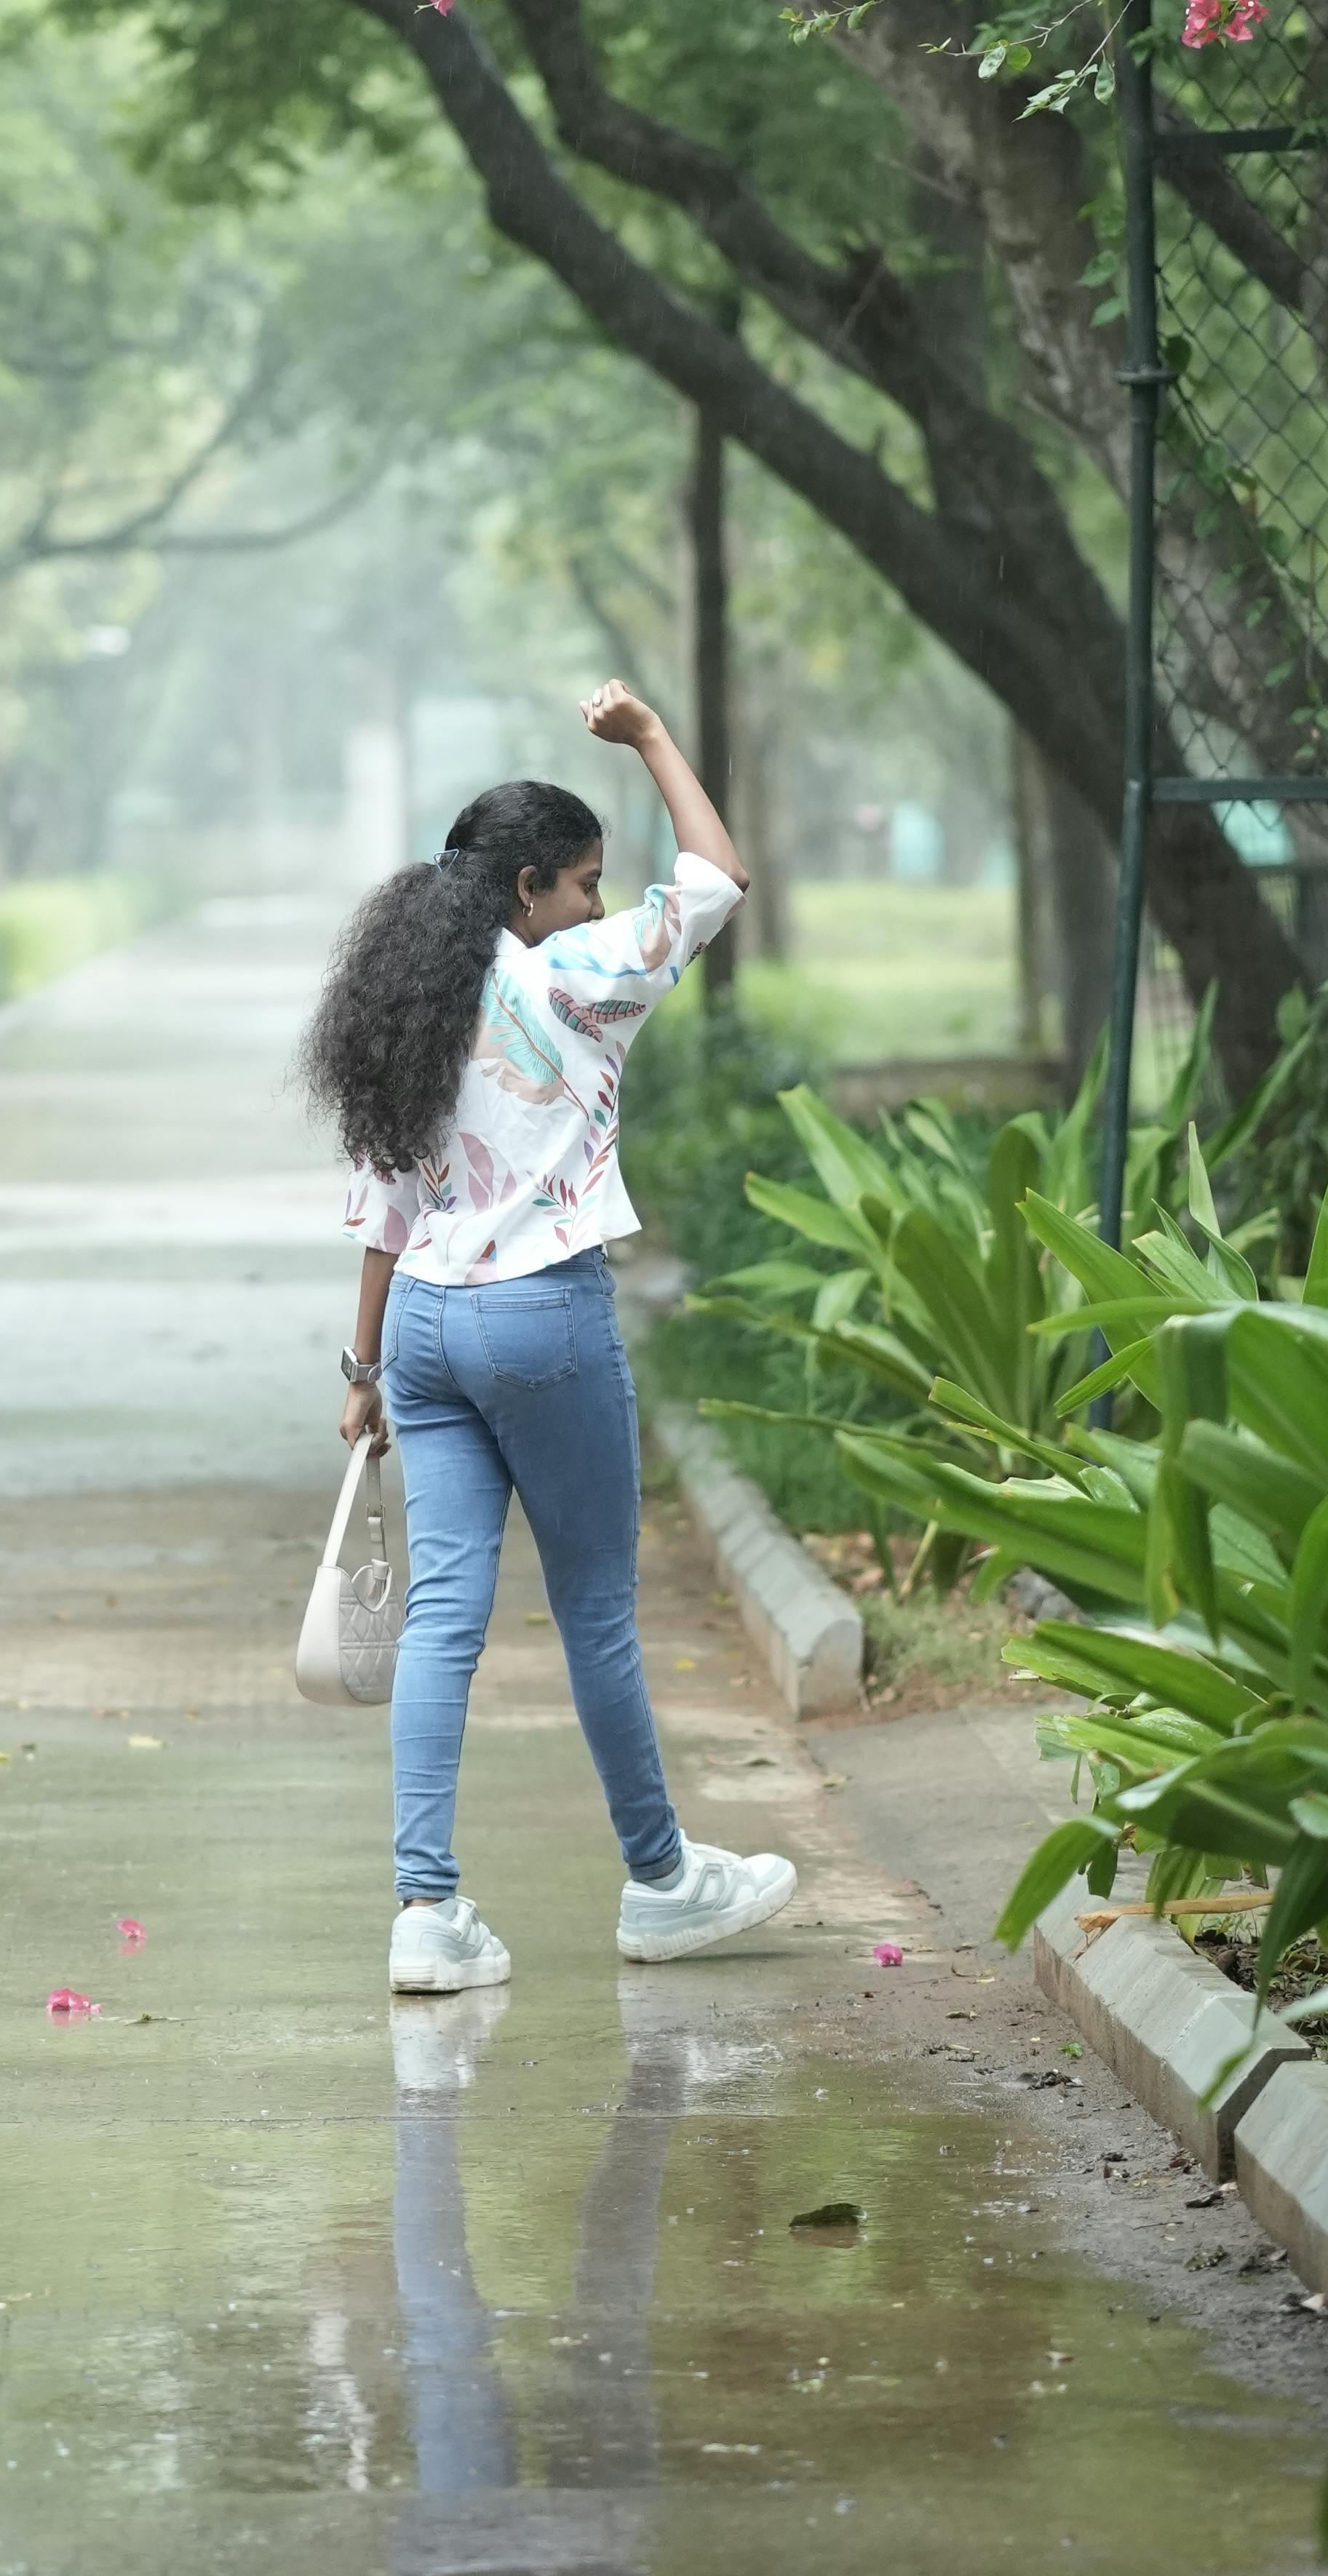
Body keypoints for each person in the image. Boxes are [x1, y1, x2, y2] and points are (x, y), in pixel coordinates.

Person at [301, 680, 797, 1993]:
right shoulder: (575, 978)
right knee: (595, 1614)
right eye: (582, 883)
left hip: (423, 1331)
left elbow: (384, 1205)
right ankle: (662, 1882)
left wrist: (363, 1373)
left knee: (445, 1619)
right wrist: (650, 738)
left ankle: (427, 1912)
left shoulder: (407, 1004)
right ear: (529, 888)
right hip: (540, 1316)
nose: (593, 904)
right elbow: (717, 877)